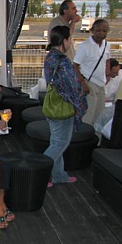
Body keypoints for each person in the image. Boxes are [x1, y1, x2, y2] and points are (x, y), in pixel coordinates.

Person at [43, 25, 87, 186]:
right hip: (63, 107)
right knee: (59, 144)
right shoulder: (63, 60)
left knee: (56, 141)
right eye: (70, 39)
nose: (71, 42)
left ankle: (59, 175)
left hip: (51, 105)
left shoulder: (50, 57)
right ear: (65, 40)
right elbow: (73, 86)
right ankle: (38, 174)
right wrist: (79, 103)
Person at [73, 19, 111, 126]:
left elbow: (107, 60)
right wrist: (82, 83)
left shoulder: (106, 45)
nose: (101, 33)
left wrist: (107, 75)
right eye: (98, 30)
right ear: (92, 30)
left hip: (101, 84)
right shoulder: (84, 46)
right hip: (89, 83)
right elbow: (75, 65)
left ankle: (96, 140)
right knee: (88, 115)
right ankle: (85, 138)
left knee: (99, 115)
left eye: (104, 31)